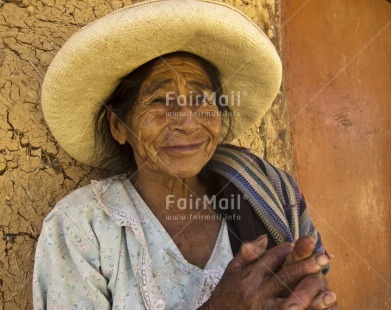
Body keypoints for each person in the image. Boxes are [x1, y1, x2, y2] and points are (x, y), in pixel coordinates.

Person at [33, 0, 338, 309]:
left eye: (202, 99)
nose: (188, 122)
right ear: (118, 126)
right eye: (160, 100)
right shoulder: (82, 225)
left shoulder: (264, 193)